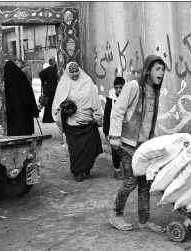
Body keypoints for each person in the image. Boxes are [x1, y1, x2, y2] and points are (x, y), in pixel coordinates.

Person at [108, 55, 166, 233]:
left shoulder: (155, 91)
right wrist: (115, 136)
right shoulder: (134, 87)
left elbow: (149, 121)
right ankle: (116, 214)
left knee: (144, 182)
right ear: (148, 70)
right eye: (158, 69)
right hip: (126, 142)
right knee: (131, 181)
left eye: (163, 70)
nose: (161, 73)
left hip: (143, 145)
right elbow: (117, 111)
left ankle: (144, 220)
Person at [52, 61, 103, 182]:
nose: (75, 74)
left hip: (88, 122)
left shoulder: (87, 81)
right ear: (68, 73)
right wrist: (64, 110)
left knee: (91, 149)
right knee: (75, 151)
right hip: (72, 125)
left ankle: (86, 167)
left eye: (76, 71)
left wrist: (97, 116)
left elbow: (95, 100)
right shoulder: (64, 85)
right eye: (72, 72)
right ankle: (77, 171)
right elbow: (57, 106)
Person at [3, 55, 39, 136]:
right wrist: (33, 109)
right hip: (24, 109)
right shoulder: (22, 77)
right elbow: (29, 94)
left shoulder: (5, 80)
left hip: (11, 109)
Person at [103, 77, 125, 180]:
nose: (119, 90)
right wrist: (106, 132)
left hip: (125, 130)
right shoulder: (110, 100)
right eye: (117, 88)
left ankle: (127, 170)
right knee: (115, 151)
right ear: (114, 88)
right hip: (113, 130)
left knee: (125, 151)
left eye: (121, 88)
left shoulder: (128, 98)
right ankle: (117, 171)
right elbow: (106, 117)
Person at [39, 57, 59, 123]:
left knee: (49, 105)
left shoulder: (48, 69)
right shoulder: (56, 69)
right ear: (54, 62)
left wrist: (45, 80)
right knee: (52, 104)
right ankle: (49, 119)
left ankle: (48, 118)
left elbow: (41, 74)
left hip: (49, 89)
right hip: (54, 89)